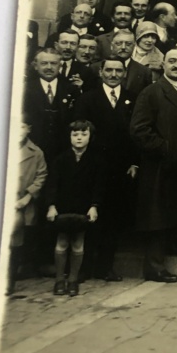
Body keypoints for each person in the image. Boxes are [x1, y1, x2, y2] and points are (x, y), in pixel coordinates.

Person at [130, 47, 177, 282]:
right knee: (157, 216)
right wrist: (165, 149)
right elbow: (139, 130)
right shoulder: (152, 92)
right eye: (172, 61)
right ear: (163, 64)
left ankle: (166, 251)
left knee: (172, 211)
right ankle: (154, 267)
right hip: (159, 166)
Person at [72, 56, 139, 282]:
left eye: (118, 71)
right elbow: (78, 131)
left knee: (112, 219)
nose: (113, 74)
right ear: (101, 72)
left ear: (124, 74)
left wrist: (134, 162)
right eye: (108, 70)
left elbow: (136, 134)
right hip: (92, 167)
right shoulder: (88, 98)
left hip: (120, 169)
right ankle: (84, 268)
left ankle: (105, 267)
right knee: (89, 217)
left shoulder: (132, 99)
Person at [45, 120, 104, 297]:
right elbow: (52, 184)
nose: (79, 138)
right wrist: (51, 205)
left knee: (78, 243)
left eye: (83, 134)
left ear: (90, 137)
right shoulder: (60, 160)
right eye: (75, 134)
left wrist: (94, 206)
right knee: (62, 242)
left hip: (82, 208)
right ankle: (59, 280)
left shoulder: (96, 161)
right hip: (63, 207)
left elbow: (99, 186)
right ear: (69, 136)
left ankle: (72, 280)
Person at [8, 122, 47, 295]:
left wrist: (28, 196)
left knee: (15, 237)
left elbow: (41, 175)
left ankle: (10, 279)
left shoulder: (36, 152)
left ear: (29, 129)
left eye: (22, 127)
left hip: (21, 201)